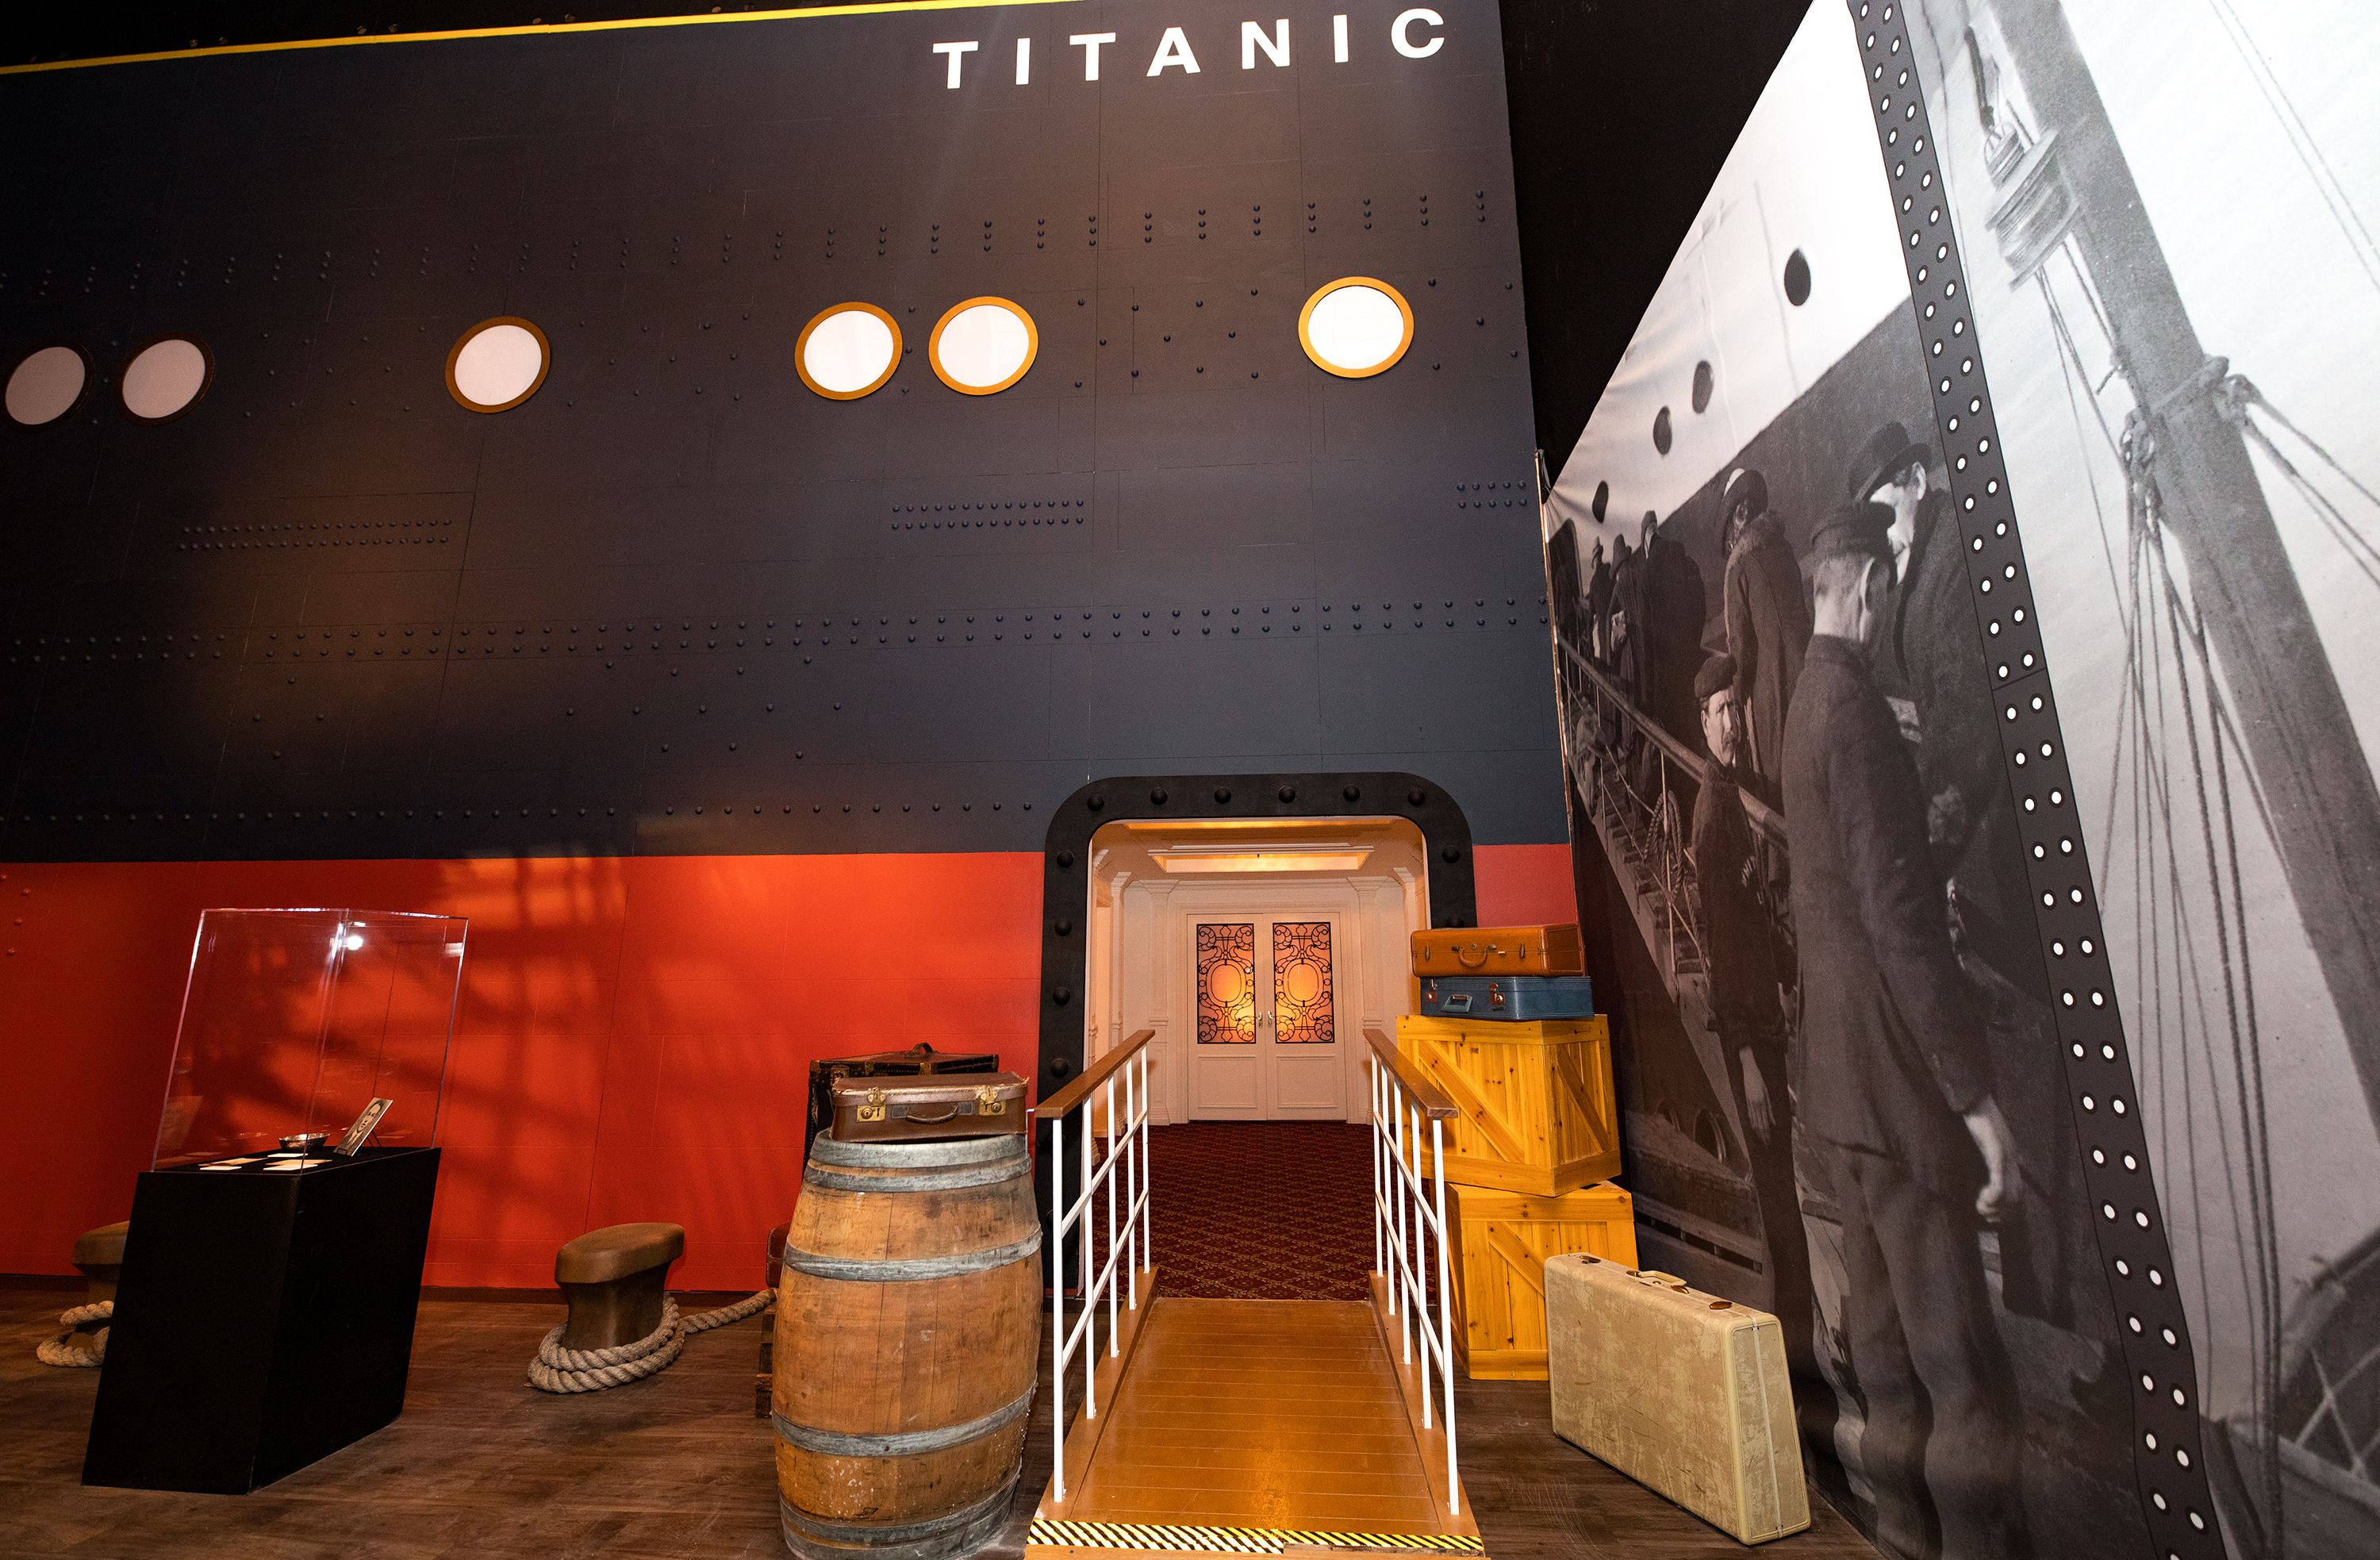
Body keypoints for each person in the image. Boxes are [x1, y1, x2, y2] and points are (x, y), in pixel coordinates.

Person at [1782, 501, 2029, 1560]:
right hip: (1897, 1091)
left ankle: (1900, 1542)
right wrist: (1973, 1099)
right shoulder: (1858, 716)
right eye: (1884, 592)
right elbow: (1901, 925)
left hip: (1841, 1092)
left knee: (1884, 1363)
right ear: (1869, 588)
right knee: (1961, 1372)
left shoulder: (1803, 705)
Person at [1852, 419, 2101, 1346]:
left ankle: (2085, 1320)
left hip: (2007, 870)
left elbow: (1969, 733)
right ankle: (2063, 1307)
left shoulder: (1950, 559)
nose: (1881, 527)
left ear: (1914, 480)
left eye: (1883, 503)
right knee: (2038, 1096)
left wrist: (1930, 859)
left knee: (2048, 1095)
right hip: (1992, 875)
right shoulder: (1926, 564)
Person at [1689, 653, 1824, 1443]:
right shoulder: (1713, 816)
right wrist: (1743, 1057)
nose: (1734, 722)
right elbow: (1717, 944)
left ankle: (1795, 1347)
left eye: (1738, 708)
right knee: (1777, 1205)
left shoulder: (1733, 796)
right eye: (1721, 712)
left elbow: (1750, 928)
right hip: (1752, 1038)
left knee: (1783, 1200)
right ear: (1702, 722)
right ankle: (1792, 1368)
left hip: (1765, 1026)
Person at [1718, 465, 1812, 807]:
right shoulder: (1784, 548)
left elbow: (1739, 652)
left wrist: (1735, 701)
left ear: (1736, 519)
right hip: (1807, 676)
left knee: (1778, 785)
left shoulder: (1738, 567)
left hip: (1771, 693)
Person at [1642, 511, 1708, 744]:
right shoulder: (1681, 554)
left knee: (1676, 734)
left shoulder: (1647, 571)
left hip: (1666, 669)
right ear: (1656, 530)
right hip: (1689, 655)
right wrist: (1693, 640)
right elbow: (1700, 603)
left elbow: (1647, 633)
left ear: (1645, 541)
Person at [1587, 540, 1614, 663]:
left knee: (1606, 664)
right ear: (1601, 556)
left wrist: (1590, 647)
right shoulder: (1609, 570)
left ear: (1594, 561)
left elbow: (1590, 615)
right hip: (1616, 627)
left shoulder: (1593, 583)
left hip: (1604, 632)